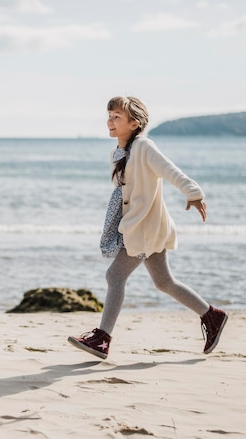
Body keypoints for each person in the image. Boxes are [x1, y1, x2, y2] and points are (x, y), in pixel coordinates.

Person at [68, 96, 227, 360]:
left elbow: (170, 171)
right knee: (164, 282)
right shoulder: (118, 152)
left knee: (114, 276)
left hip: (145, 226)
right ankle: (212, 316)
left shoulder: (143, 147)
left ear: (135, 123)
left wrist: (193, 193)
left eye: (117, 116)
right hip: (141, 224)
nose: (110, 120)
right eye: (109, 115)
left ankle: (103, 338)